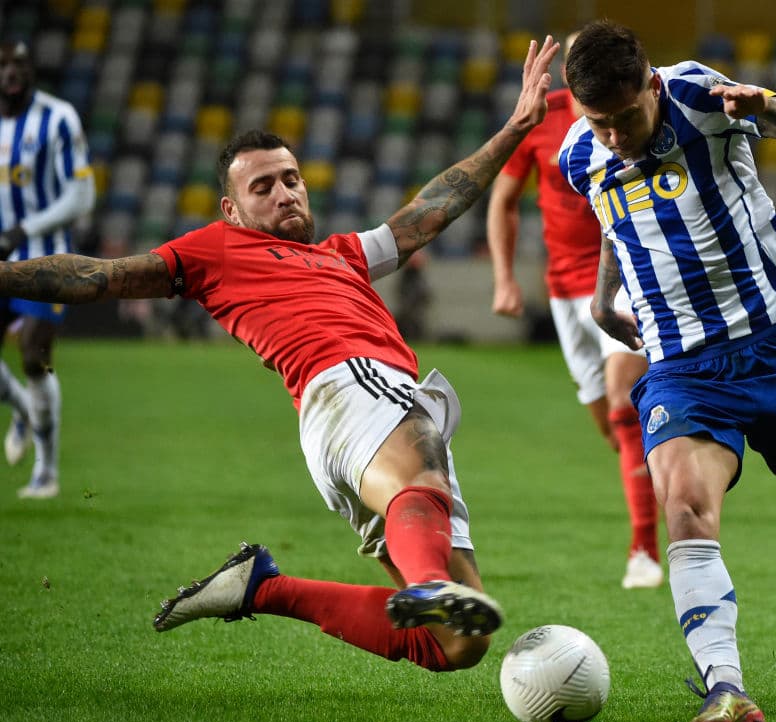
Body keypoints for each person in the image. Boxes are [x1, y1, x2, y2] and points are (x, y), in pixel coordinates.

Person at [0, 36, 560, 673]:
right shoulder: (215, 251)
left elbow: (431, 211)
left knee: (458, 643)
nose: (285, 193)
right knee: (422, 473)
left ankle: (262, 587)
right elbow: (100, 276)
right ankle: (429, 582)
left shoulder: (341, 255)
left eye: (291, 179)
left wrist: (516, 127)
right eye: (263, 186)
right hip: (351, 386)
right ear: (230, 209)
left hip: (347, 427)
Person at [559, 21, 776, 722]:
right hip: (682, 368)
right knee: (684, 508)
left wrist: (765, 105)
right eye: (599, 122)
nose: (613, 135)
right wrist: (600, 296)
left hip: (772, 347)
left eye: (624, 118)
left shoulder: (702, 96)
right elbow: (614, 219)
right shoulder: (578, 151)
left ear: (650, 86)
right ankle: (724, 686)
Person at [486, 32, 661, 589]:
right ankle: (682, 473)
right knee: (614, 430)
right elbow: (503, 201)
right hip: (563, 291)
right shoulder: (542, 119)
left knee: (622, 405)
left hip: (625, 274)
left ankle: (646, 552)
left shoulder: (634, 113)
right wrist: (504, 278)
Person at [0, 40, 95, 499]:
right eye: (2, 65)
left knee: (34, 352)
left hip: (46, 256)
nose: (11, 72)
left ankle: (46, 471)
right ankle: (21, 407)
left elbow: (82, 196)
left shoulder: (58, 118)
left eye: (18, 62)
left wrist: (25, 227)